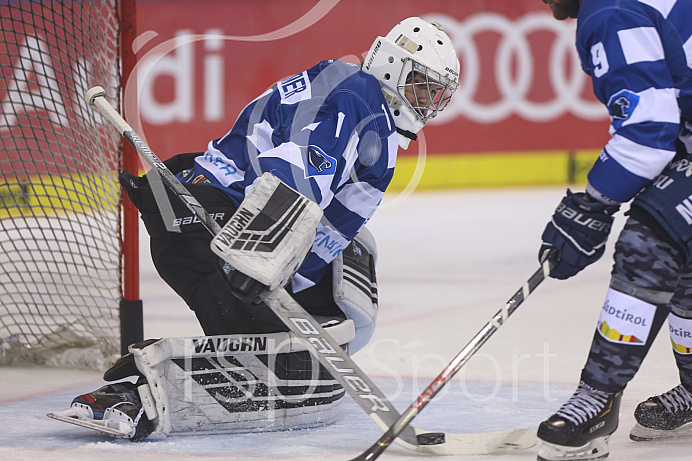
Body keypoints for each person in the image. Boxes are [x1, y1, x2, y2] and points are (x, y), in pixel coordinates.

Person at [51, 17, 460, 440]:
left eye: (437, 92)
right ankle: (133, 392)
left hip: (231, 217)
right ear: (392, 65)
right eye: (422, 85)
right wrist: (258, 254)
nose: (428, 100)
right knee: (267, 356)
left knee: (315, 317)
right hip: (211, 216)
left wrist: (292, 282)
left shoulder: (373, 121)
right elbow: (296, 172)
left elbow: (334, 231)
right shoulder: (357, 99)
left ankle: (250, 334)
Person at [535, 0, 692, 460]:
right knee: (681, 254)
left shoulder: (610, 10)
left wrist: (593, 205)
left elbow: (648, 130)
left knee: (651, 241)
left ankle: (597, 398)